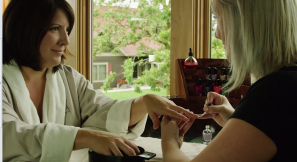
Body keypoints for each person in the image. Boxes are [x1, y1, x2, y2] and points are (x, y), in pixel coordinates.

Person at [2, 0, 199, 161]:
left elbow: (102, 112)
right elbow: (8, 135)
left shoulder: (69, 78)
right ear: (26, 29)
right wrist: (84, 136)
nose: (66, 40)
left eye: (67, 29)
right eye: (55, 29)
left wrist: (144, 102)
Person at [160, 0, 297, 161]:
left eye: (218, 18)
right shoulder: (290, 83)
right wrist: (236, 118)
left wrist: (169, 141)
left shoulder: (277, 91)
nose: (217, 33)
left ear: (244, 23)